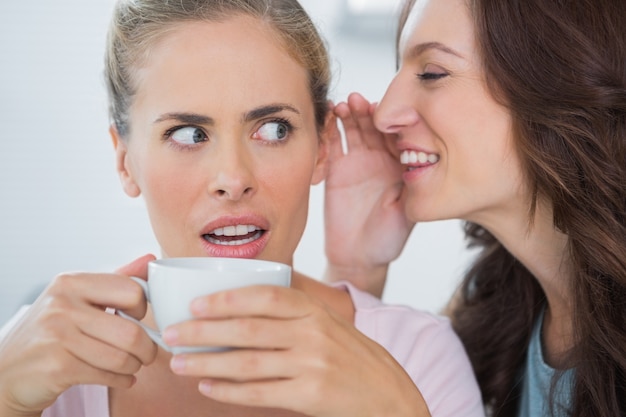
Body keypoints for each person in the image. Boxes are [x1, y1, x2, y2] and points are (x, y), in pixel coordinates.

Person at [0, 1, 484, 416]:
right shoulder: (51, 365)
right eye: (189, 135)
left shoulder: (417, 355)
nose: (233, 180)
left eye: (273, 129)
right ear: (125, 161)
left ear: (321, 148)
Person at [324, 0, 626, 416]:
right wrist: (358, 268)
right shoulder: (493, 311)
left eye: (432, 73)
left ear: (558, 81)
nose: (386, 114)